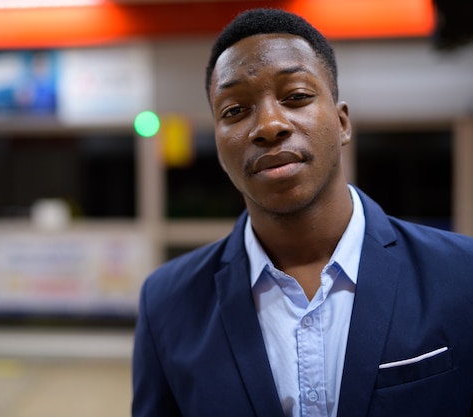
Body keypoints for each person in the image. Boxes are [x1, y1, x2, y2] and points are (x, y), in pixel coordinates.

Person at [131, 7, 473, 417]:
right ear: (220, 148)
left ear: (343, 123)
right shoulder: (167, 303)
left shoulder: (461, 276)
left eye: (295, 96)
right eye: (234, 110)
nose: (269, 125)